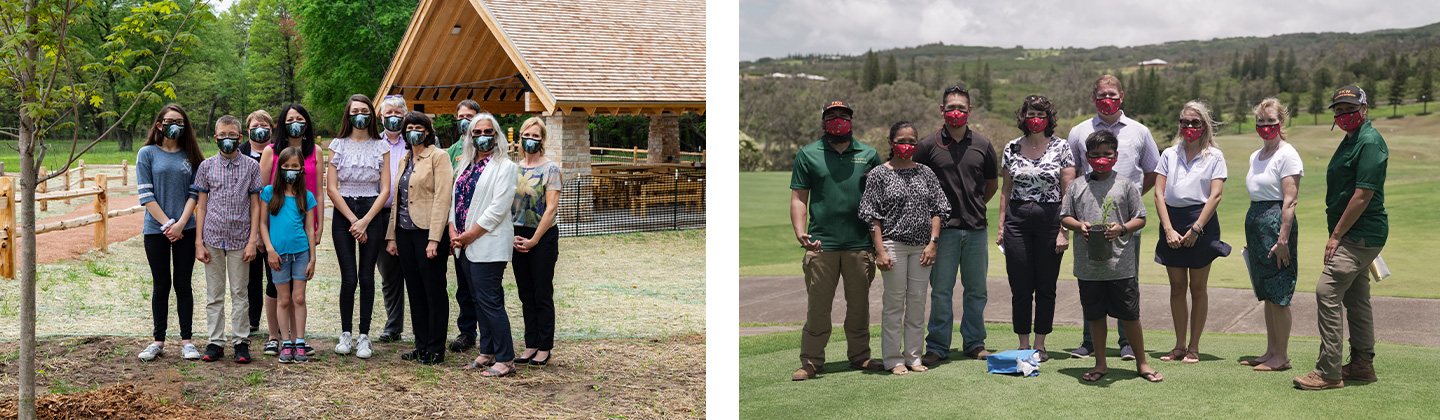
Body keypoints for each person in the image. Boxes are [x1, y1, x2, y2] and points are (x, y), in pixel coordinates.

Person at [1294, 85, 1388, 390]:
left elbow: (1362, 195)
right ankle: (1362, 365)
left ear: (1364, 108)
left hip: (1359, 235)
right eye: (1339, 110)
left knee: (1327, 290)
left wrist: (1335, 236)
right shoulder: (1351, 140)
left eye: (1350, 108)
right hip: (1354, 233)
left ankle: (1329, 372)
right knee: (1357, 299)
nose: (1345, 114)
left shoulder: (1369, 142)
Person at [1065, 74, 1161, 360]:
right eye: (1101, 94)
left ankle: (1127, 343)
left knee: (1125, 279)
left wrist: (1127, 202)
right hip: (1088, 219)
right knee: (1090, 276)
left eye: (1112, 94)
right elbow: (1072, 172)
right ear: (1093, 97)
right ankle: (1089, 342)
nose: (1107, 99)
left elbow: (1153, 171)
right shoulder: (1079, 131)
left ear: (1122, 95)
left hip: (1125, 221)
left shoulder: (1139, 131)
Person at [789, 99, 884, 381]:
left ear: (852, 121)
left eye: (844, 116)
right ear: (824, 122)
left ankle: (860, 356)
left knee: (859, 307)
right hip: (821, 246)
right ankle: (811, 361)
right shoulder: (808, 154)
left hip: (860, 245)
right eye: (832, 117)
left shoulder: (868, 154)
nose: (838, 121)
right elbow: (799, 198)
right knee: (818, 308)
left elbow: (880, 198)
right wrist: (800, 231)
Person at [914, 85, 998, 366]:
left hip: (975, 229)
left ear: (969, 111)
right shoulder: (927, 145)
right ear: (942, 110)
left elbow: (990, 186)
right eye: (951, 107)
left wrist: (972, 206)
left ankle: (974, 343)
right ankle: (938, 346)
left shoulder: (983, 145)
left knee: (976, 290)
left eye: (961, 108)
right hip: (943, 232)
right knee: (941, 291)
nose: (956, 112)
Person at [857, 121, 949, 375]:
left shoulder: (926, 173)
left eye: (911, 141)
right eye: (901, 141)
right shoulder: (878, 174)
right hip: (892, 245)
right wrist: (880, 251)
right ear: (890, 143)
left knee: (918, 303)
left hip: (922, 247)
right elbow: (871, 215)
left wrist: (933, 243)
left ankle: (914, 357)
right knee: (895, 304)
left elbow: (938, 209)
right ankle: (893, 359)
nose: (907, 146)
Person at [1153, 100, 1231, 364]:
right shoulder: (1168, 154)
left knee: (1197, 288)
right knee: (1177, 287)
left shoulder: (1214, 156)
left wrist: (1197, 228)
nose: (1188, 126)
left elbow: (1215, 195)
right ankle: (1178, 346)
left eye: (1194, 122)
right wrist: (1168, 229)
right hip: (1171, 222)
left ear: (1204, 125)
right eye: (1184, 122)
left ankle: (1194, 347)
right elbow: (1159, 194)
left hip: (1202, 222)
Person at [997, 95, 1074, 361]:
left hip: (1050, 220)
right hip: (1017, 221)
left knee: (1045, 286)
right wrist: (1001, 227)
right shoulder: (1011, 148)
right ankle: (1023, 344)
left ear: (1049, 117)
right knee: (1020, 286)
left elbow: (1068, 193)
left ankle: (1040, 344)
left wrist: (1064, 231)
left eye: (1041, 114)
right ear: (1023, 117)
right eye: (1031, 114)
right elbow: (1005, 190)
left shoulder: (1062, 147)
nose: (1035, 119)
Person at [451, 113, 521, 377]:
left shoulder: (506, 166)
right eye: (476, 132)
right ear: (470, 137)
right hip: (464, 244)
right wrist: (452, 228)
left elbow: (497, 209)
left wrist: (470, 234)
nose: (482, 136)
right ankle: (487, 350)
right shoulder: (465, 164)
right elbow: (454, 198)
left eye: (487, 131)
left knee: (491, 301)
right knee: (478, 301)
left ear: (496, 134)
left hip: (487, 243)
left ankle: (505, 359)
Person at [191, 115, 264, 363]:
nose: (227, 140)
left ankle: (241, 341)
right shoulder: (206, 167)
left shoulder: (251, 167)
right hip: (212, 237)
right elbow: (201, 206)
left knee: (240, 292)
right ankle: (216, 341)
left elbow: (255, 205)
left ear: (240, 138)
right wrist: (199, 241)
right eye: (222, 136)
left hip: (241, 239)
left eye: (232, 136)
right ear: (215, 138)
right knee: (215, 294)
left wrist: (253, 239)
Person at [136, 103, 205, 362]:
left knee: (183, 284)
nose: (174, 125)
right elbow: (146, 195)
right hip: (156, 231)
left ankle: (187, 341)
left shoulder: (191, 157)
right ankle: (158, 340)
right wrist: (167, 225)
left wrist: (180, 224)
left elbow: (194, 194)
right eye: (170, 120)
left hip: (186, 229)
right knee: (161, 284)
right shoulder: (147, 154)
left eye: (180, 121)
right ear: (159, 124)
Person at [385, 111, 455, 365]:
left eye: (418, 127)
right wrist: (392, 236)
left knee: (433, 290)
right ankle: (421, 344)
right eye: (409, 127)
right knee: (414, 290)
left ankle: (436, 347)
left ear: (427, 131)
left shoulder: (439, 156)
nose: (413, 131)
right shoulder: (405, 159)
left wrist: (435, 238)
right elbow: (398, 201)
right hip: (405, 233)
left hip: (428, 232)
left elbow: (442, 198)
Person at [325, 94, 392, 359]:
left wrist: (365, 220)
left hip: (371, 210)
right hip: (344, 212)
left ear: (371, 115)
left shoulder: (381, 146)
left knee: (367, 276)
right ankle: (346, 334)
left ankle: (365, 336)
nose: (360, 115)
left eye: (364, 110)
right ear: (348, 115)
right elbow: (331, 188)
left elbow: (385, 189)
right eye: (355, 111)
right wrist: (354, 220)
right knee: (349, 277)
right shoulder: (337, 145)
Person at [1241, 98, 1303, 372]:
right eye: (1261, 123)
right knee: (1266, 292)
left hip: (1278, 227)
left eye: (1271, 123)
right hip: (1257, 225)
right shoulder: (1256, 156)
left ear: (1281, 123)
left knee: (1279, 292)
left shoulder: (1287, 154)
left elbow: (1289, 201)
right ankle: (1271, 351)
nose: (1266, 128)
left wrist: (1282, 241)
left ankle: (1283, 357)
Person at [259, 103, 325, 357]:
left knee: (298, 295)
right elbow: (263, 194)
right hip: (275, 234)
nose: (295, 122)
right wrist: (261, 237)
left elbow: (317, 191)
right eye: (290, 119)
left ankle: (299, 340)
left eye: (300, 118)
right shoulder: (270, 152)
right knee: (277, 290)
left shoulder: (315, 152)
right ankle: (276, 337)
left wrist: (318, 229)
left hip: (302, 231)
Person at [510, 116, 562, 367]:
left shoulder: (550, 169)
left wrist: (533, 240)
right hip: (517, 234)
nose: (530, 140)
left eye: (535, 136)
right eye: (526, 135)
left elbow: (551, 209)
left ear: (542, 140)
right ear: (520, 137)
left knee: (542, 293)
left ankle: (544, 347)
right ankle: (530, 344)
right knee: (525, 293)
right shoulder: (514, 168)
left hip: (542, 235)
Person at [447, 99, 484, 353]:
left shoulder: (487, 148)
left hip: (481, 228)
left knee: (482, 284)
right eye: (461, 116)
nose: (465, 120)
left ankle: (490, 332)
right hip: (457, 228)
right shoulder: (452, 151)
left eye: (470, 116)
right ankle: (467, 332)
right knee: (463, 285)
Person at [375, 95, 409, 344]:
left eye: (399, 112)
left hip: (411, 215)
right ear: (381, 116)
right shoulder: (374, 143)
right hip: (382, 215)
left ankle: (423, 324)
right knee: (389, 275)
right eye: (390, 112)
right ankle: (393, 326)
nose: (394, 116)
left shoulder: (415, 141)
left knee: (415, 273)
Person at [239, 110, 274, 338]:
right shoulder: (238, 152)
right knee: (251, 277)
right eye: (255, 124)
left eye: (264, 124)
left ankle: (277, 323)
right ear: (248, 129)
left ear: (272, 129)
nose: (260, 128)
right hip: (245, 223)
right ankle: (251, 322)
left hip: (274, 222)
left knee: (275, 275)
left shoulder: (280, 152)